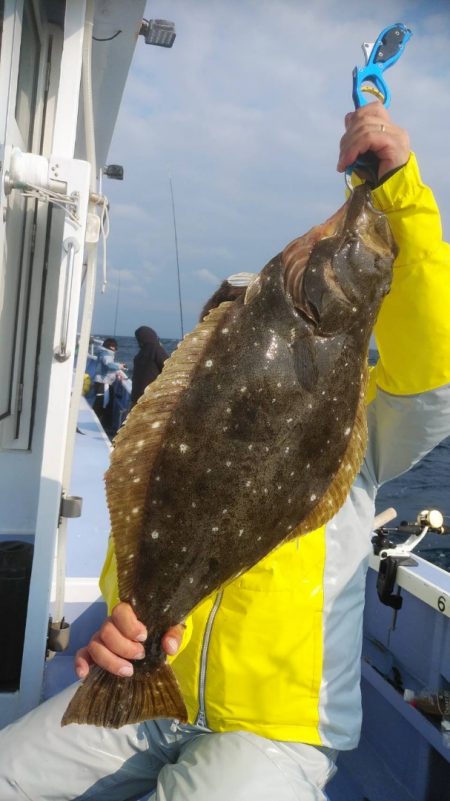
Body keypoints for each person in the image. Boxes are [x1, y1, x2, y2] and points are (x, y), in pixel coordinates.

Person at [1, 102, 450, 801]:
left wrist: (398, 192)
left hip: (277, 727)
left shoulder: (363, 428)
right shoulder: (188, 427)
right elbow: (149, 530)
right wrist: (122, 620)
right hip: (147, 691)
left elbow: (432, 369)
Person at [89, 337, 127, 433]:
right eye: (115, 347)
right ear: (111, 347)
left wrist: (117, 371)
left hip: (102, 382)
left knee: (103, 403)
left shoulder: (103, 352)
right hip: (103, 382)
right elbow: (108, 364)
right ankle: (97, 424)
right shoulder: (106, 354)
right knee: (102, 403)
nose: (116, 349)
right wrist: (120, 366)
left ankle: (98, 423)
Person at [130, 326, 169, 408]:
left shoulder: (139, 355)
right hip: (151, 399)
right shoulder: (156, 349)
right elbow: (170, 368)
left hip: (136, 399)